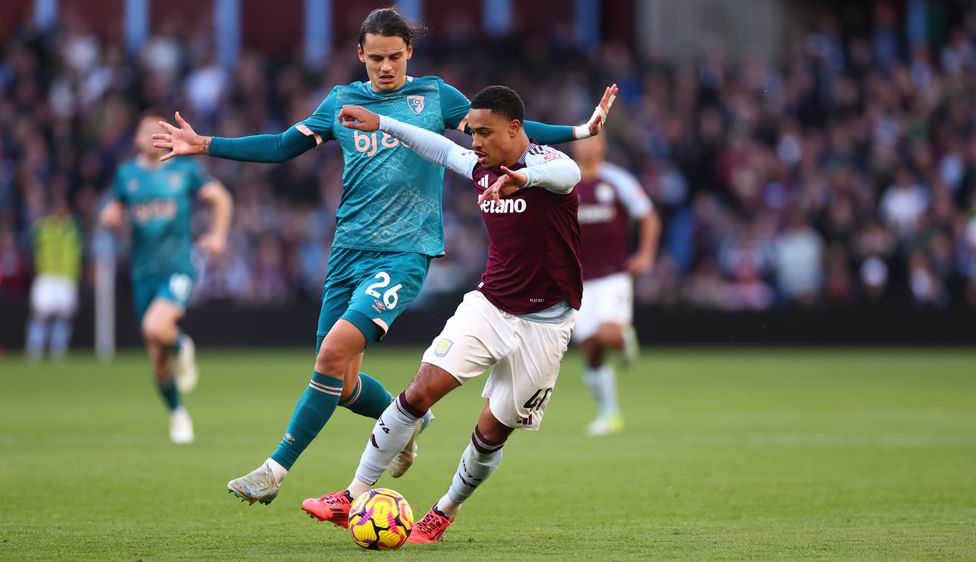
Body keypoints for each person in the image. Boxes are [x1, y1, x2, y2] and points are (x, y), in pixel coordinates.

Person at [152, 7, 613, 505]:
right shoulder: (341, 101)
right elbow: (283, 146)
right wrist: (206, 144)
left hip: (403, 252)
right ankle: (411, 419)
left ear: (409, 52)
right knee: (341, 380)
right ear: (360, 56)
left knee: (330, 355)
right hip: (346, 252)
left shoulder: (435, 96)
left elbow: (505, 132)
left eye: (395, 56)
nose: (386, 66)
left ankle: (274, 471)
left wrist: (579, 131)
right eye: (376, 58)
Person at [302, 83, 601, 542]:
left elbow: (568, 174)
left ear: (515, 128)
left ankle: (444, 510)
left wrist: (523, 179)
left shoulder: (544, 162)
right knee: (418, 393)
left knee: (490, 435)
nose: (475, 142)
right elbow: (441, 147)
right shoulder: (480, 167)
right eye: (472, 132)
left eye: (484, 133)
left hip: (546, 325)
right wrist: (384, 123)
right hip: (489, 307)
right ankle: (353, 493)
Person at [100, 110, 233, 444]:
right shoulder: (126, 175)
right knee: (158, 360)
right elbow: (114, 210)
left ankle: (183, 345)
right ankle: (178, 413)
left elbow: (221, 198)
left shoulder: (185, 170)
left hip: (177, 267)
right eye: (146, 131)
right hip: (143, 272)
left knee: (155, 327)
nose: (151, 137)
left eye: (158, 131)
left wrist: (217, 235)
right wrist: (110, 218)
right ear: (136, 139)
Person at [570, 134, 661, 436]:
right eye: (583, 140)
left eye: (593, 141)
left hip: (612, 276)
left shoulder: (618, 180)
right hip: (578, 280)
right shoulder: (564, 181)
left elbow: (649, 217)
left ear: (602, 146)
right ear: (575, 145)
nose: (587, 146)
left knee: (606, 334)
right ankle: (609, 414)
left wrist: (645, 254)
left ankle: (623, 338)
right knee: (591, 349)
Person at [26, 196, 82, 361]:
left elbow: (77, 253)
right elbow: (31, 247)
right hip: (47, 275)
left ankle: (58, 349)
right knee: (41, 313)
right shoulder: (43, 228)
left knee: (64, 314)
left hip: (66, 276)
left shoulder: (73, 229)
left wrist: (75, 273)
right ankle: (35, 349)